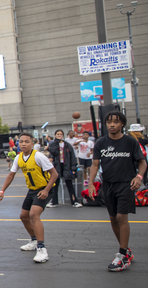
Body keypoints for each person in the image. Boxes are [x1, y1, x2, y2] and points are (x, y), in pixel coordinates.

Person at [89, 112, 147, 272]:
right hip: (108, 184)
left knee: (122, 217)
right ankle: (126, 249)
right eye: (109, 122)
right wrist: (91, 183)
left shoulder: (130, 142)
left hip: (126, 184)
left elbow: (142, 162)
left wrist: (139, 177)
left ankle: (122, 255)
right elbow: (94, 165)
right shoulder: (101, 142)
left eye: (115, 122)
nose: (112, 125)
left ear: (122, 124)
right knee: (113, 219)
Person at [0, 132, 58, 263]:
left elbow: (54, 174)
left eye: (27, 141)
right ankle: (34, 240)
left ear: (32, 143)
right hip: (32, 190)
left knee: (34, 215)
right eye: (21, 141)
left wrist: (47, 190)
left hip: (44, 189)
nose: (23, 144)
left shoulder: (38, 156)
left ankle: (42, 249)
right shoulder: (19, 158)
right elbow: (11, 175)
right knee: (23, 216)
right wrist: (2, 191)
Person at [46, 129, 80, 208]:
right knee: (55, 185)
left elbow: (72, 157)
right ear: (55, 135)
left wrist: (73, 168)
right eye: (57, 134)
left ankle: (74, 201)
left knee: (69, 184)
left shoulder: (67, 145)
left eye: (60, 134)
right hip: (57, 166)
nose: (59, 135)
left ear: (63, 135)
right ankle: (54, 202)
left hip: (66, 166)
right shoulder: (53, 144)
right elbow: (53, 152)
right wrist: (56, 142)